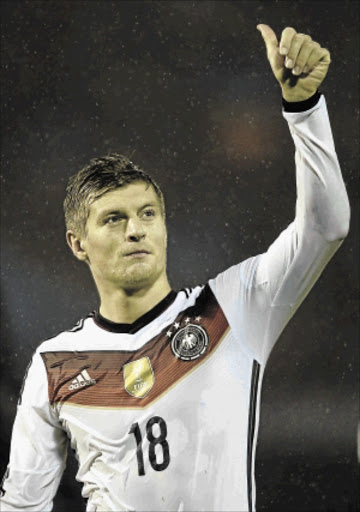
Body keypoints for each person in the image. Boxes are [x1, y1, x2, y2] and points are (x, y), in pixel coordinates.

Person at [0, 24, 350, 512]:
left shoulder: (230, 309)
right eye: (114, 219)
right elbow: (21, 506)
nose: (136, 230)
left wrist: (304, 109)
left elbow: (325, 227)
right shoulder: (55, 366)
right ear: (77, 244)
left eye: (148, 215)